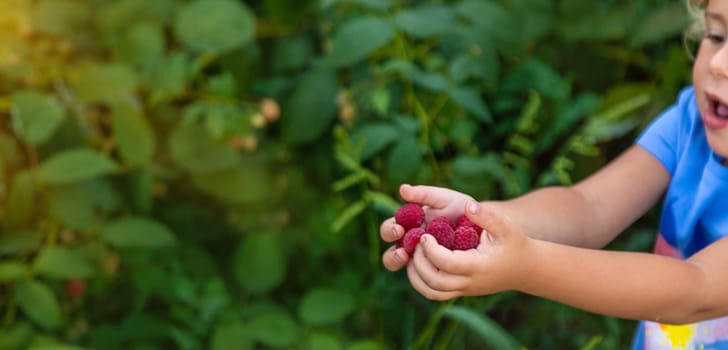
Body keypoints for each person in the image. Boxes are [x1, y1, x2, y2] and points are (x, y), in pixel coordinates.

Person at [379, 0, 728, 348]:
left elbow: (694, 288)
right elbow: (589, 207)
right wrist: (483, 221)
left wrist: (527, 265)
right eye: (716, 35)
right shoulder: (689, 124)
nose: (718, 63)